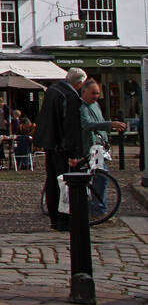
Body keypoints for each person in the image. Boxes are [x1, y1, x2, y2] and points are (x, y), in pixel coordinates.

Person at [34, 67, 87, 231]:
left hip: (50, 143)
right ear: (79, 84)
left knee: (51, 181)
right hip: (61, 147)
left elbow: (44, 117)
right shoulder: (69, 96)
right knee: (64, 183)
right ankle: (63, 218)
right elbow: (70, 127)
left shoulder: (52, 91)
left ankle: (54, 219)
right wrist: (73, 152)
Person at [76, 80, 126, 217]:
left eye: (98, 93)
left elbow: (98, 122)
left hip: (99, 147)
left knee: (97, 178)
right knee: (100, 177)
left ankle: (94, 207)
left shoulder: (96, 105)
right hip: (91, 148)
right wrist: (110, 124)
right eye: (93, 93)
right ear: (84, 91)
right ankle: (97, 209)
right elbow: (87, 124)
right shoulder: (82, 107)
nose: (96, 96)